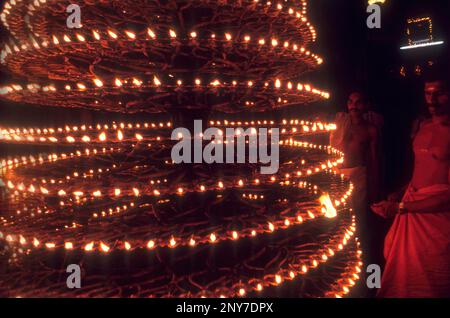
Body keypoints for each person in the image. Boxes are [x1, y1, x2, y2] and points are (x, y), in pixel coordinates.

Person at [372, 73, 450, 298]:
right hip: (411, 205)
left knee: (434, 278)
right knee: (404, 275)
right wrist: (399, 193)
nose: (432, 99)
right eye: (428, 93)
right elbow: (422, 170)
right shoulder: (422, 126)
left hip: (436, 219)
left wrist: (401, 209)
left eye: (440, 93)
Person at [330, 91, 383, 266]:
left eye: (359, 102)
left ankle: (360, 259)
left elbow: (374, 160)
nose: (354, 106)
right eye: (351, 102)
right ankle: (340, 258)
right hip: (338, 175)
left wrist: (374, 186)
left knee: (358, 219)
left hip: (359, 177)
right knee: (338, 218)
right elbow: (329, 152)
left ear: (366, 105)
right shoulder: (339, 125)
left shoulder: (370, 129)